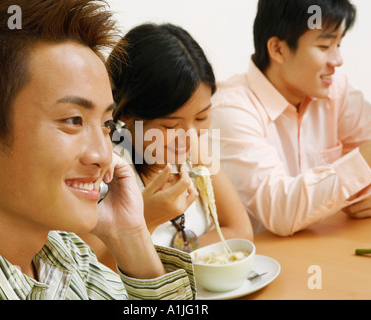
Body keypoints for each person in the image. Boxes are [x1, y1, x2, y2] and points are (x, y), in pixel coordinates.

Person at [0, 0, 195, 300]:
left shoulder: (64, 251)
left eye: (106, 124)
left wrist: (131, 238)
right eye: (73, 120)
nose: (103, 156)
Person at [210, 0, 371, 236]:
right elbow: (280, 211)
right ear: (278, 49)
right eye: (325, 46)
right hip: (262, 263)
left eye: (338, 44)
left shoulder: (335, 90)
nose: (337, 60)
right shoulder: (231, 108)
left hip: (322, 249)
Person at [83, 23, 253, 269]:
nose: (190, 136)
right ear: (127, 115)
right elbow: (92, 274)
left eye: (202, 117)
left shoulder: (195, 149)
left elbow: (239, 230)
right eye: (170, 126)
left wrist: (180, 255)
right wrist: (142, 221)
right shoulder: (103, 171)